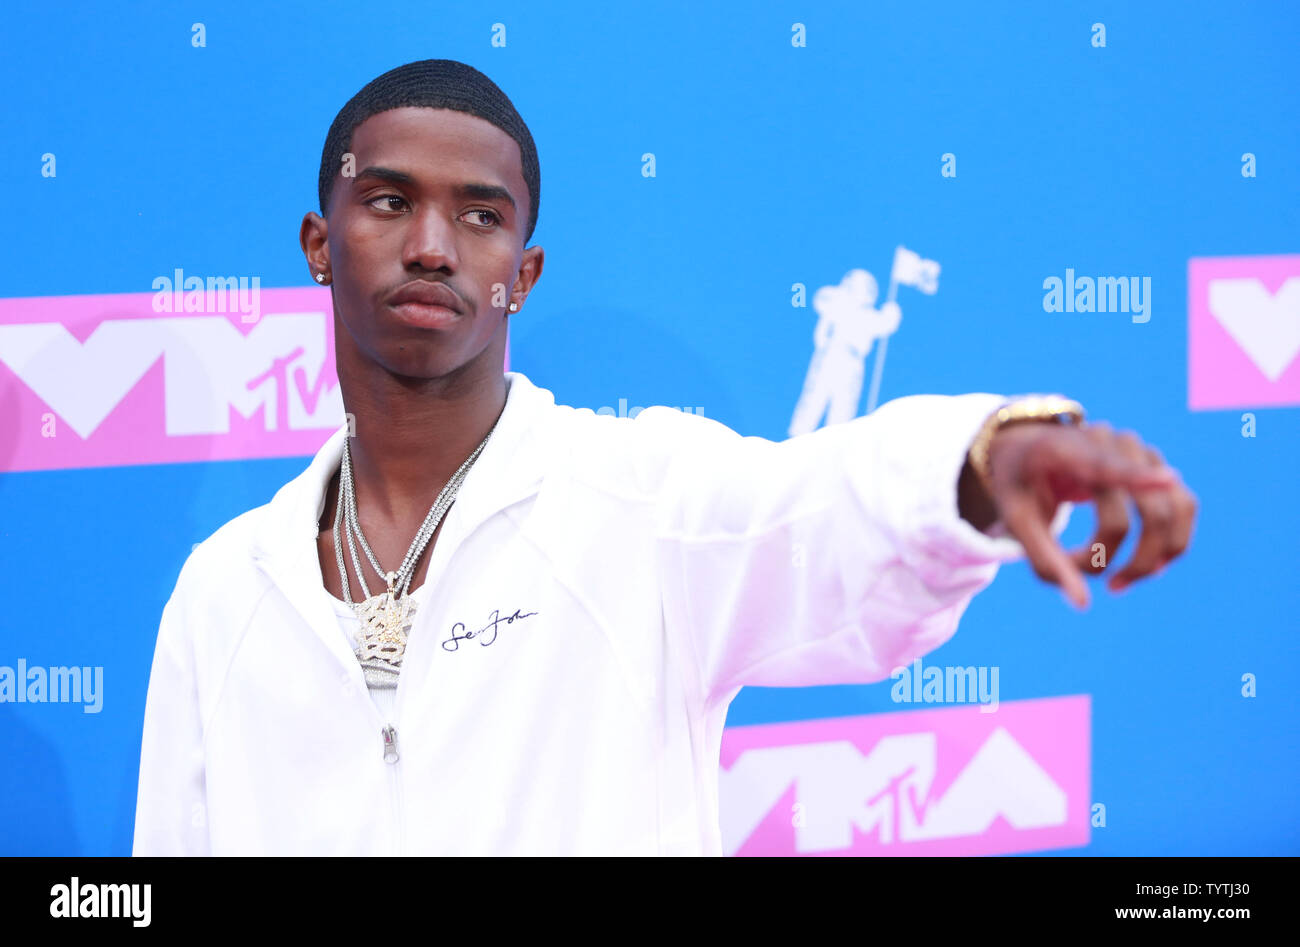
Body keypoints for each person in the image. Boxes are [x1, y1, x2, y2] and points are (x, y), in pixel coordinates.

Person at [132, 59, 1197, 856]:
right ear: (320, 242)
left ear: (526, 270)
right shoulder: (225, 585)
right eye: (390, 199)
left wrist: (981, 456)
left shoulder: (638, 505)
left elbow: (823, 510)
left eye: (481, 215)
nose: (432, 244)